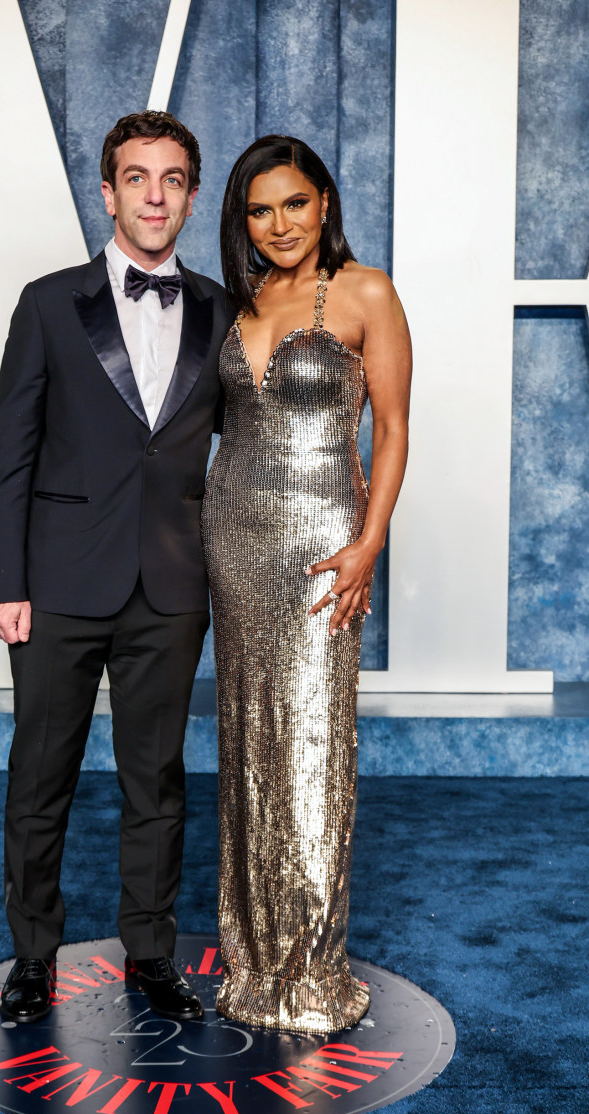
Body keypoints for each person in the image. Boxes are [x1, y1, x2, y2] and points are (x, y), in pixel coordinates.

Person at [0, 111, 231, 1024]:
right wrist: (4, 582)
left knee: (154, 779)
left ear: (192, 197)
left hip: (171, 586)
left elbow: (238, 454)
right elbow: (10, 451)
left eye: (172, 179)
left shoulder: (221, 309)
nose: (155, 195)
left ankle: (153, 954)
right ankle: (33, 956)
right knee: (40, 771)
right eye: (137, 177)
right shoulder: (50, 303)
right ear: (109, 190)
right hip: (55, 584)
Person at [202, 135, 411, 1033]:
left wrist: (368, 546)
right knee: (250, 742)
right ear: (242, 221)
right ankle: (251, 961)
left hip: (325, 543)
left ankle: (311, 969)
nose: (279, 224)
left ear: (324, 202)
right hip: (233, 537)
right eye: (260, 209)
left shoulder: (367, 291)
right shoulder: (240, 301)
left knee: (313, 746)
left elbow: (394, 430)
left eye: (294, 202)